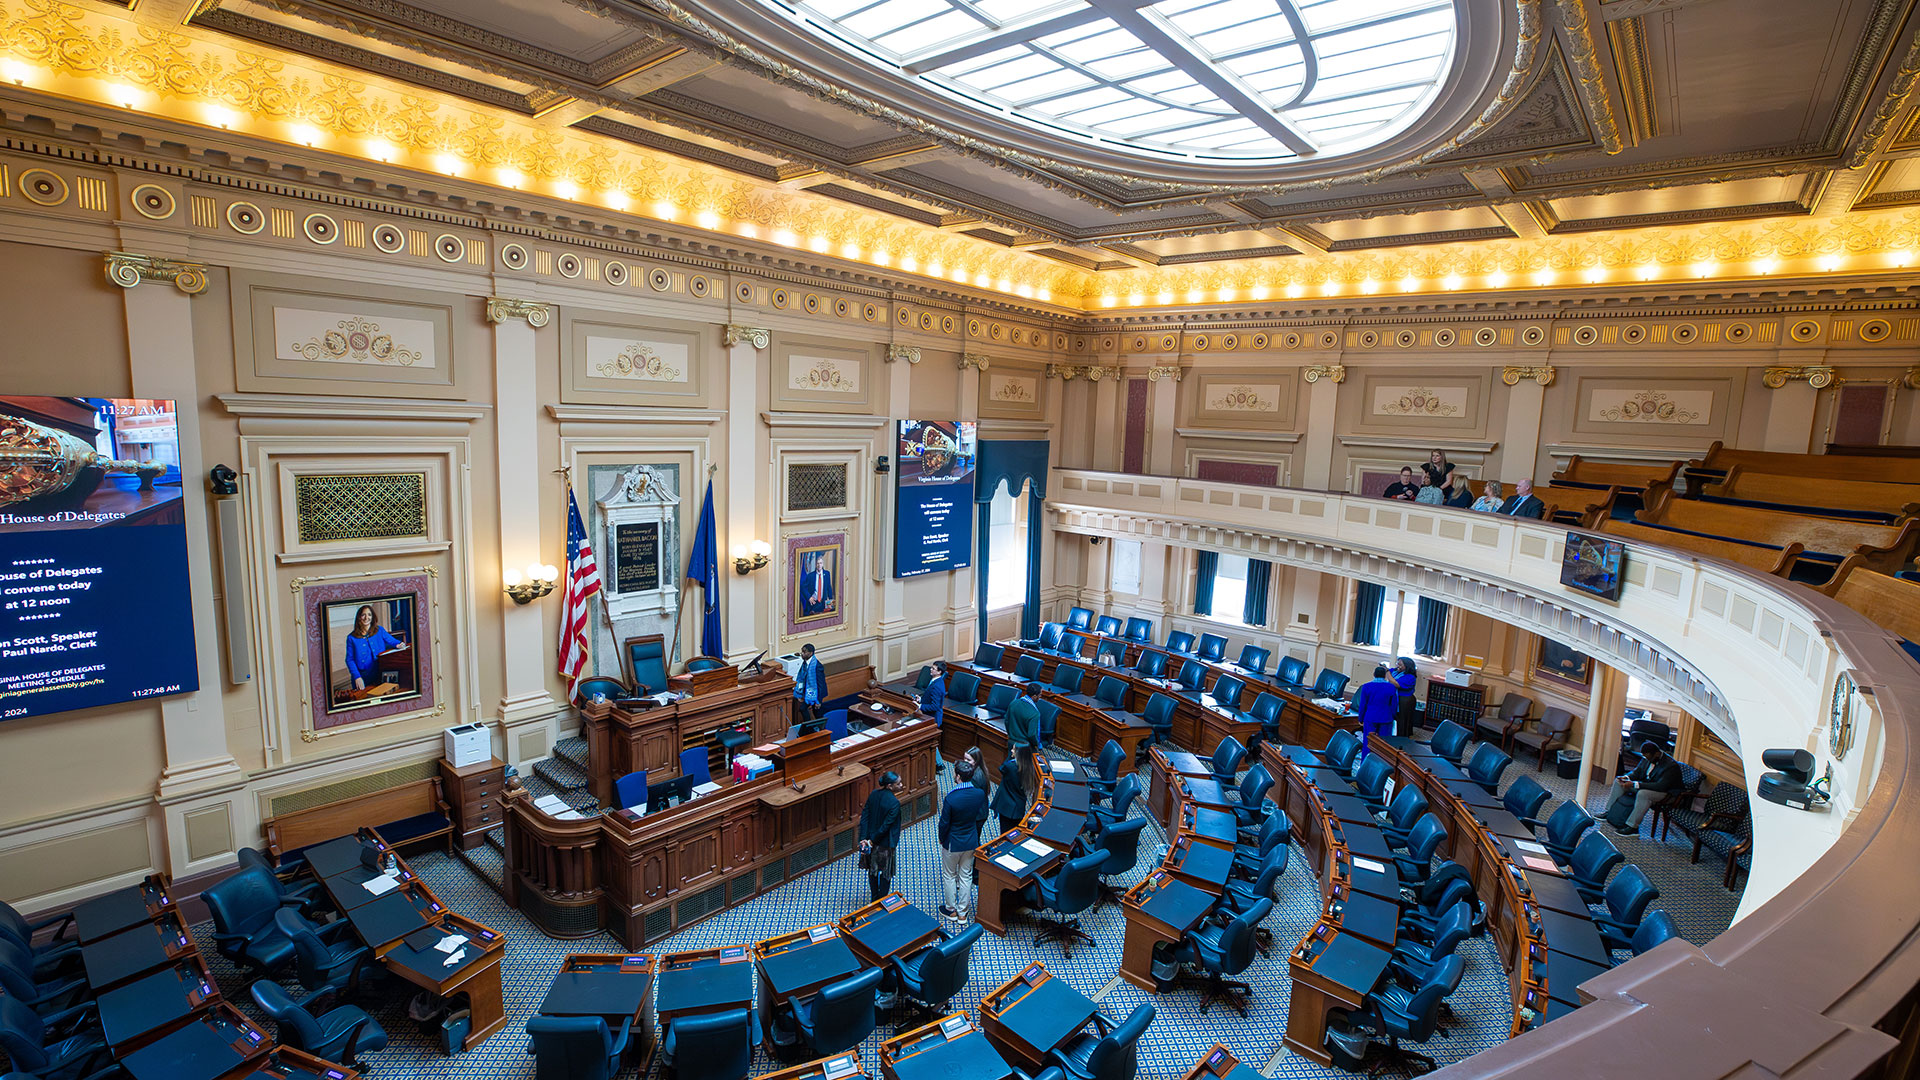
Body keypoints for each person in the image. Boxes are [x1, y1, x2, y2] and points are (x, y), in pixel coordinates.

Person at [936, 757, 989, 919]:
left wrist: (941, 839)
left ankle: (951, 909)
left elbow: (944, 824)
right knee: (966, 876)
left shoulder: (951, 798)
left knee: (950, 875)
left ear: (958, 776)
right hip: (971, 840)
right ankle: (962, 913)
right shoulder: (979, 794)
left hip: (953, 842)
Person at [1605, 741, 1683, 834]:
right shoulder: (1647, 757)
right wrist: (1626, 778)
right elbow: (1637, 772)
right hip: (1647, 785)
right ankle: (1609, 812)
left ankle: (1633, 827)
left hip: (1666, 793)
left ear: (1657, 754)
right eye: (1644, 757)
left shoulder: (1670, 766)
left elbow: (1660, 786)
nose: (1646, 759)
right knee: (1618, 782)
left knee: (1643, 794)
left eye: (1648, 757)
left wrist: (1635, 784)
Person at [858, 771, 904, 901]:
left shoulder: (873, 794)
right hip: (885, 843)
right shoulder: (894, 803)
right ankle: (881, 900)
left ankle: (874, 897)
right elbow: (886, 826)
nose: (901, 785)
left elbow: (865, 816)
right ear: (889, 786)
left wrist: (864, 838)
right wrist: (872, 841)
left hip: (869, 839)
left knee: (872, 870)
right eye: (898, 783)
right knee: (885, 872)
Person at [343, 604, 404, 692]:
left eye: (369, 614)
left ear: (372, 617)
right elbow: (349, 659)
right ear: (359, 617)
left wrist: (399, 644)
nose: (366, 617)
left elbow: (393, 641)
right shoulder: (351, 638)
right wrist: (357, 677)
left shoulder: (380, 630)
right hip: (362, 676)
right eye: (363, 615)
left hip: (379, 673)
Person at [1004, 687, 1040, 813]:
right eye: (1039, 695)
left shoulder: (1014, 703)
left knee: (1009, 767)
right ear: (1035, 696)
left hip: (1012, 741)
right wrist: (1037, 745)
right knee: (1022, 774)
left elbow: (1007, 720)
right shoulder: (1034, 713)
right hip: (1024, 747)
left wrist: (1011, 735)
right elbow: (1032, 734)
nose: (1040, 698)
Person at [1352, 665, 1398, 756]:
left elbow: (1363, 705)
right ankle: (1382, 764)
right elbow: (1394, 705)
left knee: (1368, 742)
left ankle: (1365, 764)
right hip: (1386, 718)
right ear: (1385, 675)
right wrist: (1393, 716)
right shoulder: (1391, 687)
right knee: (1385, 744)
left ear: (1373, 674)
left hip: (1370, 717)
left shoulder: (1366, 686)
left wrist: (1360, 719)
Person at [920, 660, 948, 774]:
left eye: (933, 669)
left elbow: (935, 706)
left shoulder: (937, 686)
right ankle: (939, 763)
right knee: (931, 741)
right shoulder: (935, 681)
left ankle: (939, 764)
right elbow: (929, 698)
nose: (930, 670)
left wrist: (921, 706)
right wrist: (920, 699)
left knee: (931, 741)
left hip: (933, 718)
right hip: (930, 717)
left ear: (939, 672)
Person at [990, 756, 1026, 837]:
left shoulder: (1011, 766)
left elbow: (1002, 768)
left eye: (1013, 749)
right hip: (1019, 806)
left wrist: (1010, 756)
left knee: (1005, 835)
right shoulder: (1028, 765)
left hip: (1008, 807)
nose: (1012, 751)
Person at [792, 642, 827, 725]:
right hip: (808, 693)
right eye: (802, 651)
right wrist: (800, 694)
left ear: (810, 653)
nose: (802, 654)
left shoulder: (817, 666)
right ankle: (811, 728)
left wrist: (818, 700)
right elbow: (802, 679)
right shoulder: (805, 664)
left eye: (804, 652)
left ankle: (821, 729)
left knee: (816, 713)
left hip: (817, 693)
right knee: (805, 709)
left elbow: (821, 684)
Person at [1392, 656, 1419, 733]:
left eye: (1400, 665)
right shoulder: (1395, 672)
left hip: (1405, 700)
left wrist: (1387, 673)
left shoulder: (1410, 677)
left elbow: (1396, 684)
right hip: (1397, 697)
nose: (1398, 666)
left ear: (1407, 667)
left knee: (1403, 718)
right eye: (1397, 664)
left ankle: (1402, 734)